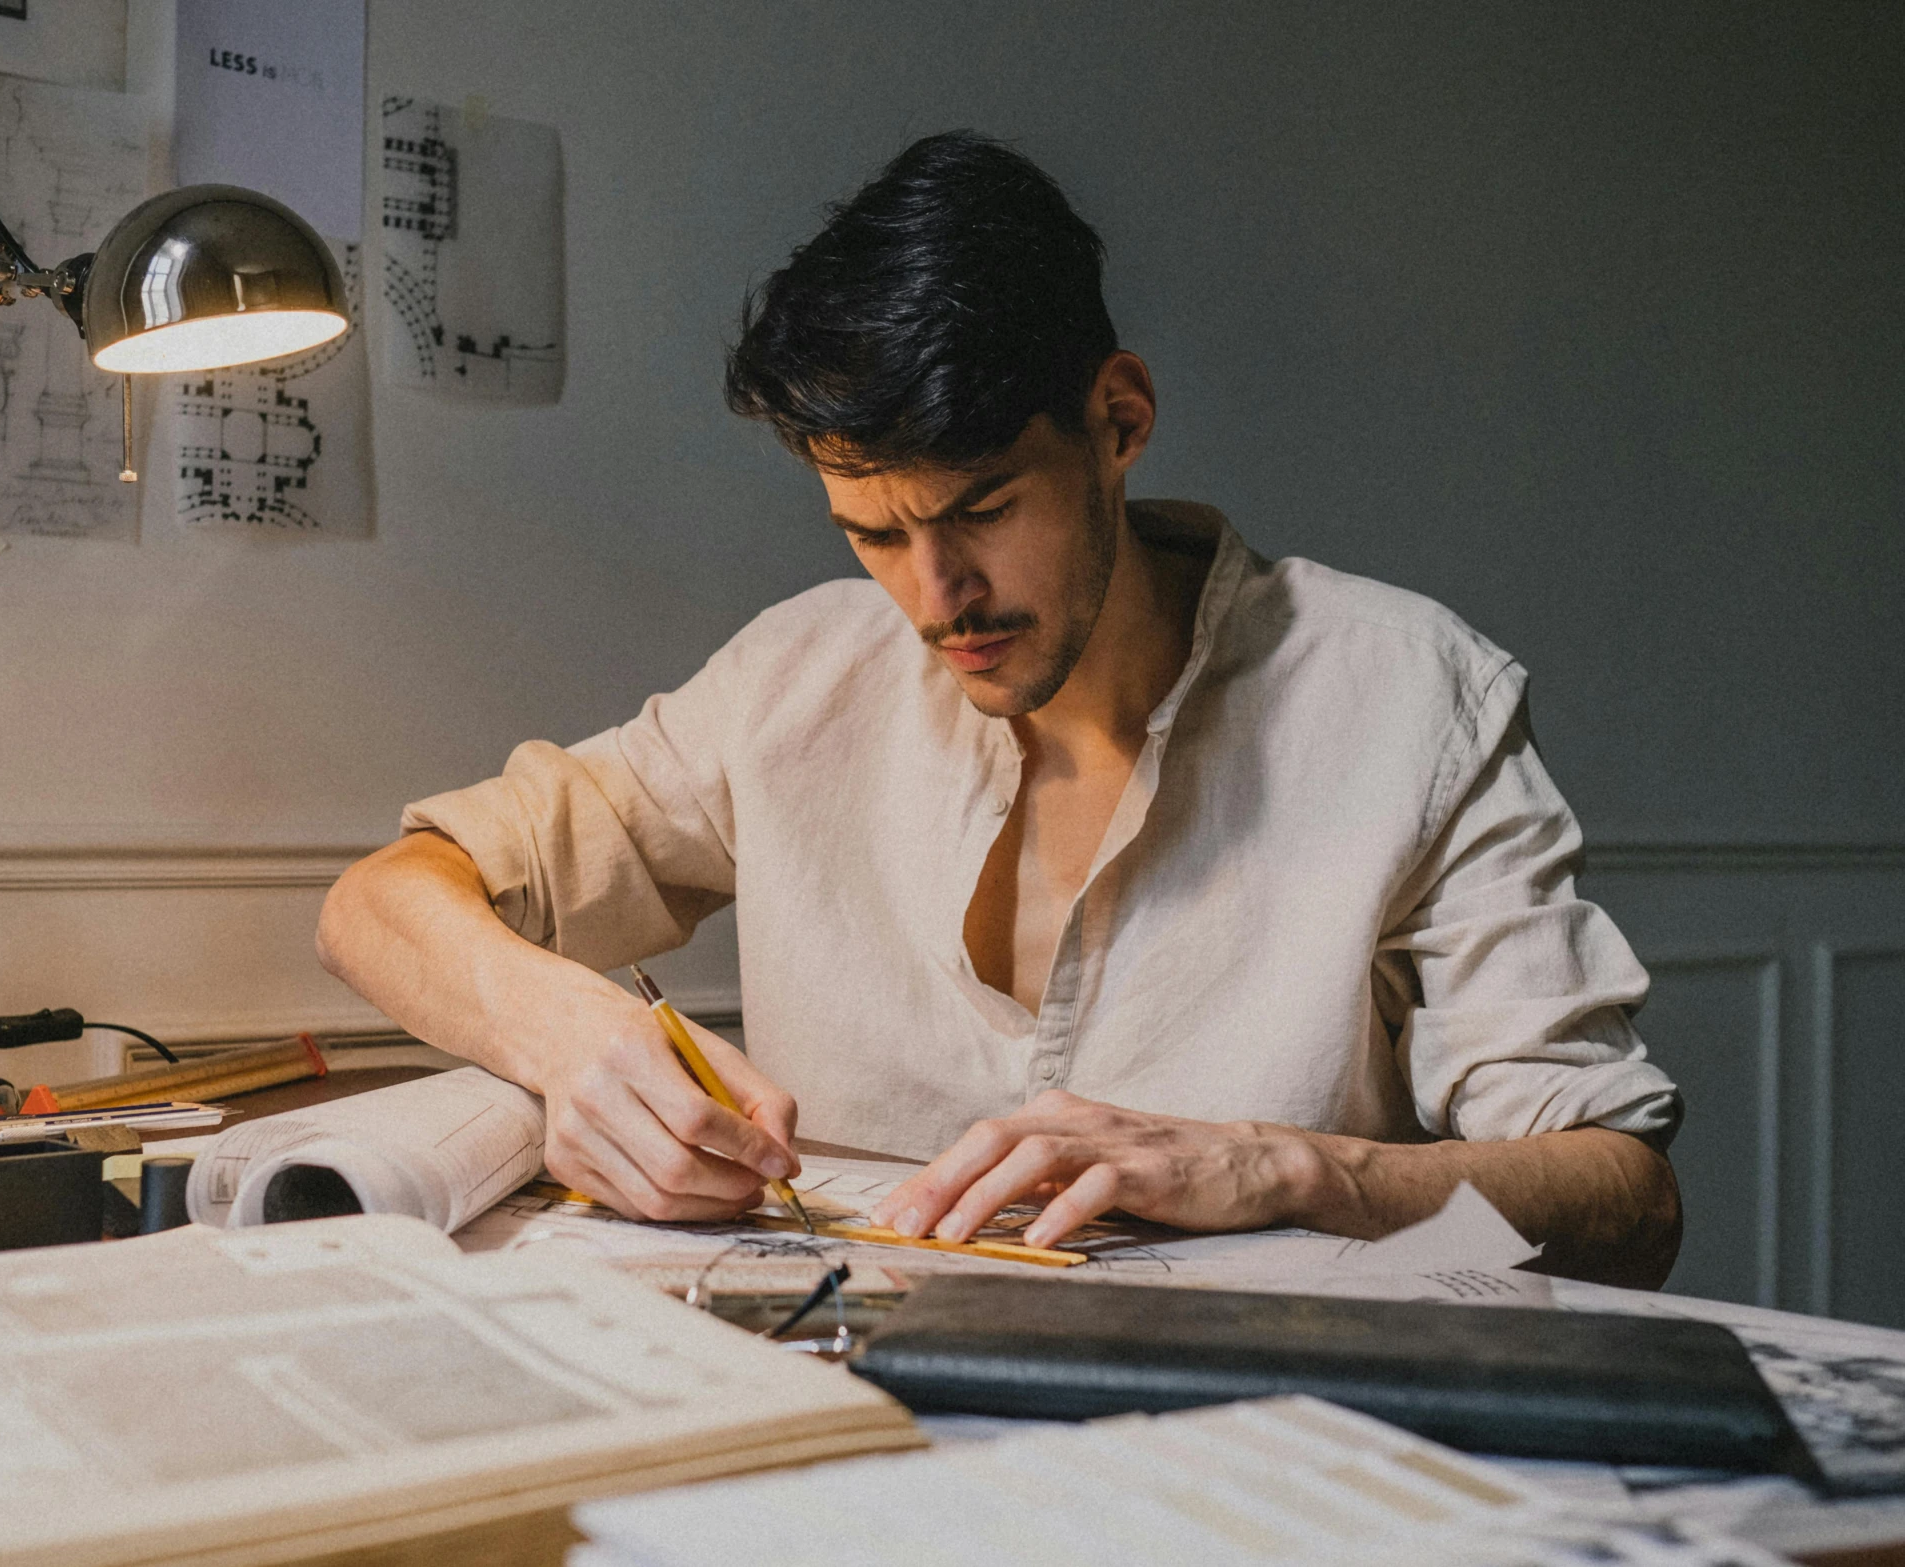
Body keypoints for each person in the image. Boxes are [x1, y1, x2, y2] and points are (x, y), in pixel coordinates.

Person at [320, 131, 1682, 1287]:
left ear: (1118, 418)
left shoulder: (1407, 696)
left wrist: (1279, 1165)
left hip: (1248, 1451)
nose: (934, 595)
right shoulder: (794, 679)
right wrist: (570, 1036)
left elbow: (1623, 1196)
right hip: (842, 1434)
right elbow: (378, 901)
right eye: (870, 530)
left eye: (980, 509)